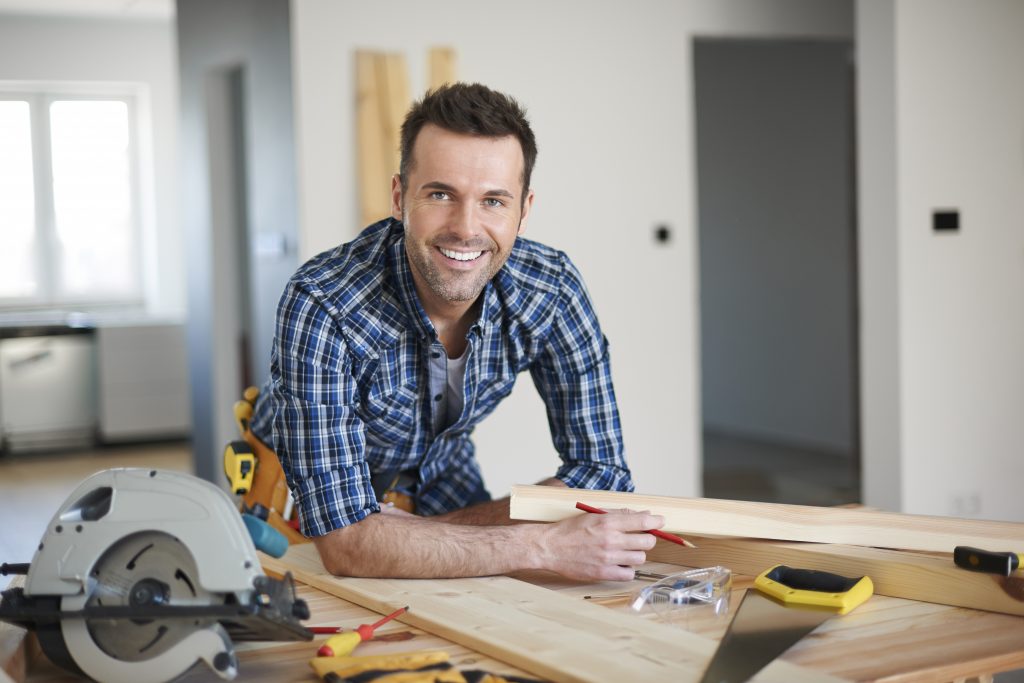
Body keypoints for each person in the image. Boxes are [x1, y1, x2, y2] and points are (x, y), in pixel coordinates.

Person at [250, 82, 665, 580]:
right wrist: (538, 544)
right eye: (441, 194)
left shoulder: (550, 289)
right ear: (400, 196)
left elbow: (604, 478)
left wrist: (423, 537)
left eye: (493, 201)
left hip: (440, 472)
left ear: (523, 211)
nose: (466, 228)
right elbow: (345, 544)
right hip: (293, 488)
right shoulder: (323, 301)